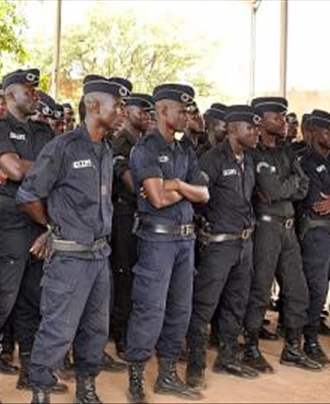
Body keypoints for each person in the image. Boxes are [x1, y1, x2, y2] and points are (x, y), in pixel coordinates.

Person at [18, 74, 124, 404]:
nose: (120, 111)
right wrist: (53, 225)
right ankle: (40, 391)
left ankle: (86, 388)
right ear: (93, 106)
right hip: (69, 259)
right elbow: (28, 194)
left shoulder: (106, 150)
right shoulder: (62, 147)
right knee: (58, 329)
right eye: (116, 105)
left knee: (95, 330)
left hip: (98, 256)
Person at [0, 68, 67, 394]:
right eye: (27, 91)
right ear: (9, 95)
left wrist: (27, 168)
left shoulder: (44, 132)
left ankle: (30, 372)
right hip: (9, 223)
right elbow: (13, 168)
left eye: (35, 90)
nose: (34, 96)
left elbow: (56, 169)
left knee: (33, 302)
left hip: (39, 221)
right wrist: (35, 168)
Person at [125, 83, 209, 403]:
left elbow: (204, 194)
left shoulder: (185, 150)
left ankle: (167, 375)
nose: (187, 116)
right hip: (157, 240)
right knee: (150, 308)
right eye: (182, 110)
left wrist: (174, 183)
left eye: (189, 111)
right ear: (162, 111)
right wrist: (179, 188)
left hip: (185, 241)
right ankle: (136, 376)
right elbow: (158, 200)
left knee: (179, 309)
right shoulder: (145, 148)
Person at [241, 97, 322, 374]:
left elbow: (303, 187)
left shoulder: (287, 150)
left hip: (288, 228)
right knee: (260, 288)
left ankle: (292, 349)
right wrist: (287, 185)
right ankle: (250, 348)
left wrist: (283, 186)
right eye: (277, 117)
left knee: (297, 289)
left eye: (284, 117)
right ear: (261, 121)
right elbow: (271, 190)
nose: (283, 122)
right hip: (266, 227)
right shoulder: (253, 153)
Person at [185, 105, 261, 390]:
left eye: (255, 128)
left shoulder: (249, 159)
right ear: (231, 130)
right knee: (205, 306)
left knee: (236, 303)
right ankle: (195, 366)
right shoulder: (212, 159)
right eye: (249, 128)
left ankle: (227, 357)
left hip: (244, 243)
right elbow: (196, 196)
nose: (255, 133)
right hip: (218, 245)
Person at [297, 109, 330, 362]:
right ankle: (309, 340)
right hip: (316, 232)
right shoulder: (303, 161)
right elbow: (316, 200)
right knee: (316, 291)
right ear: (316, 132)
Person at [110, 93, 153, 357]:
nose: (147, 117)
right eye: (143, 112)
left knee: (140, 276)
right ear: (126, 112)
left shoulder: (145, 142)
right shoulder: (121, 142)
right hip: (124, 216)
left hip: (143, 216)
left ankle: (136, 331)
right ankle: (120, 332)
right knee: (123, 275)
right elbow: (133, 184)